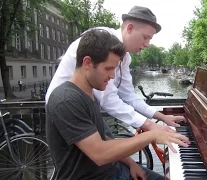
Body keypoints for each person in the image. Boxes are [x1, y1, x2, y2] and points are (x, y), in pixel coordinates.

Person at [46, 29, 190, 180]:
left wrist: (130, 163)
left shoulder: (88, 93)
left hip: (113, 170)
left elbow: (103, 138)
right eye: (108, 68)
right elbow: (100, 154)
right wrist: (151, 134)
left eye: (114, 69)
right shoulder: (66, 100)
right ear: (87, 63)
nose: (112, 75)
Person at [45, 6, 184, 135]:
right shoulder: (103, 42)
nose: (147, 44)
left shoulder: (124, 56)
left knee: (113, 150)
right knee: (102, 154)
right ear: (129, 28)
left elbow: (128, 95)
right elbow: (108, 99)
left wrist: (161, 117)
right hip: (65, 109)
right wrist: (150, 125)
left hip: (86, 108)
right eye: (145, 37)